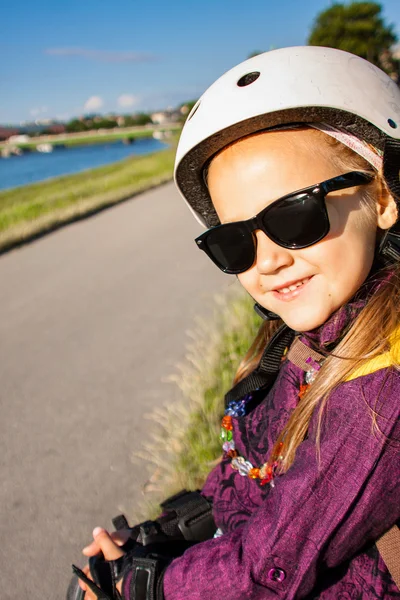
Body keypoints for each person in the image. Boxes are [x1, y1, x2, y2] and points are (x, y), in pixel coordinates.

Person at [72, 46, 400, 599]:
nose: (267, 260)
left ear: (384, 196)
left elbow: (270, 570)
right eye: (235, 241)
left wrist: (143, 586)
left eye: (294, 215)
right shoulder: (301, 337)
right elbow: (252, 474)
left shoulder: (382, 385)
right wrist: (169, 533)